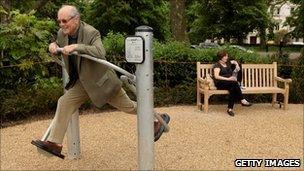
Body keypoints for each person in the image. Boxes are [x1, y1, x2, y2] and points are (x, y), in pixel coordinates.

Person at [31, 5, 170, 159]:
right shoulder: (62, 33)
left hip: (102, 83)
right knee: (64, 102)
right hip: (82, 83)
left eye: (65, 21)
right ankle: (55, 144)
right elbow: (58, 43)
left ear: (76, 19)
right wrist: (54, 46)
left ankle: (158, 118)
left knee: (129, 107)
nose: (62, 25)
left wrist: (77, 47)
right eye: (59, 22)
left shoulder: (91, 32)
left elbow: (100, 52)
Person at [212, 50, 252, 116]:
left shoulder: (227, 63)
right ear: (222, 57)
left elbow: (234, 61)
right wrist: (228, 79)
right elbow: (216, 76)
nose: (227, 57)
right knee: (234, 83)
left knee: (232, 89)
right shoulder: (217, 65)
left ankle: (230, 109)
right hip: (220, 83)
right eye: (226, 56)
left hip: (229, 83)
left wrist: (237, 65)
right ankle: (242, 100)